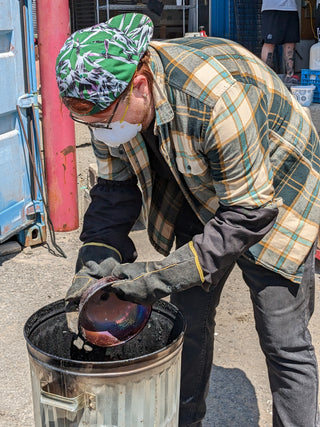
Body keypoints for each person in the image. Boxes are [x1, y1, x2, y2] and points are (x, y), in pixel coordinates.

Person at [56, 13, 320, 427]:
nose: (99, 133)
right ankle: (186, 420)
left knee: (282, 338)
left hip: (274, 190)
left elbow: (250, 212)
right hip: (196, 184)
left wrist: (157, 276)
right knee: (188, 321)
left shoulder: (215, 98)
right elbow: (113, 193)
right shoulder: (106, 103)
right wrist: (94, 262)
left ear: (140, 85)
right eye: (88, 124)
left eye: (103, 122)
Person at [261, 0, 300, 83]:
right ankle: (265, 75)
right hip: (272, 8)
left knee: (290, 41)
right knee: (269, 42)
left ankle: (290, 75)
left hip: (291, 8)